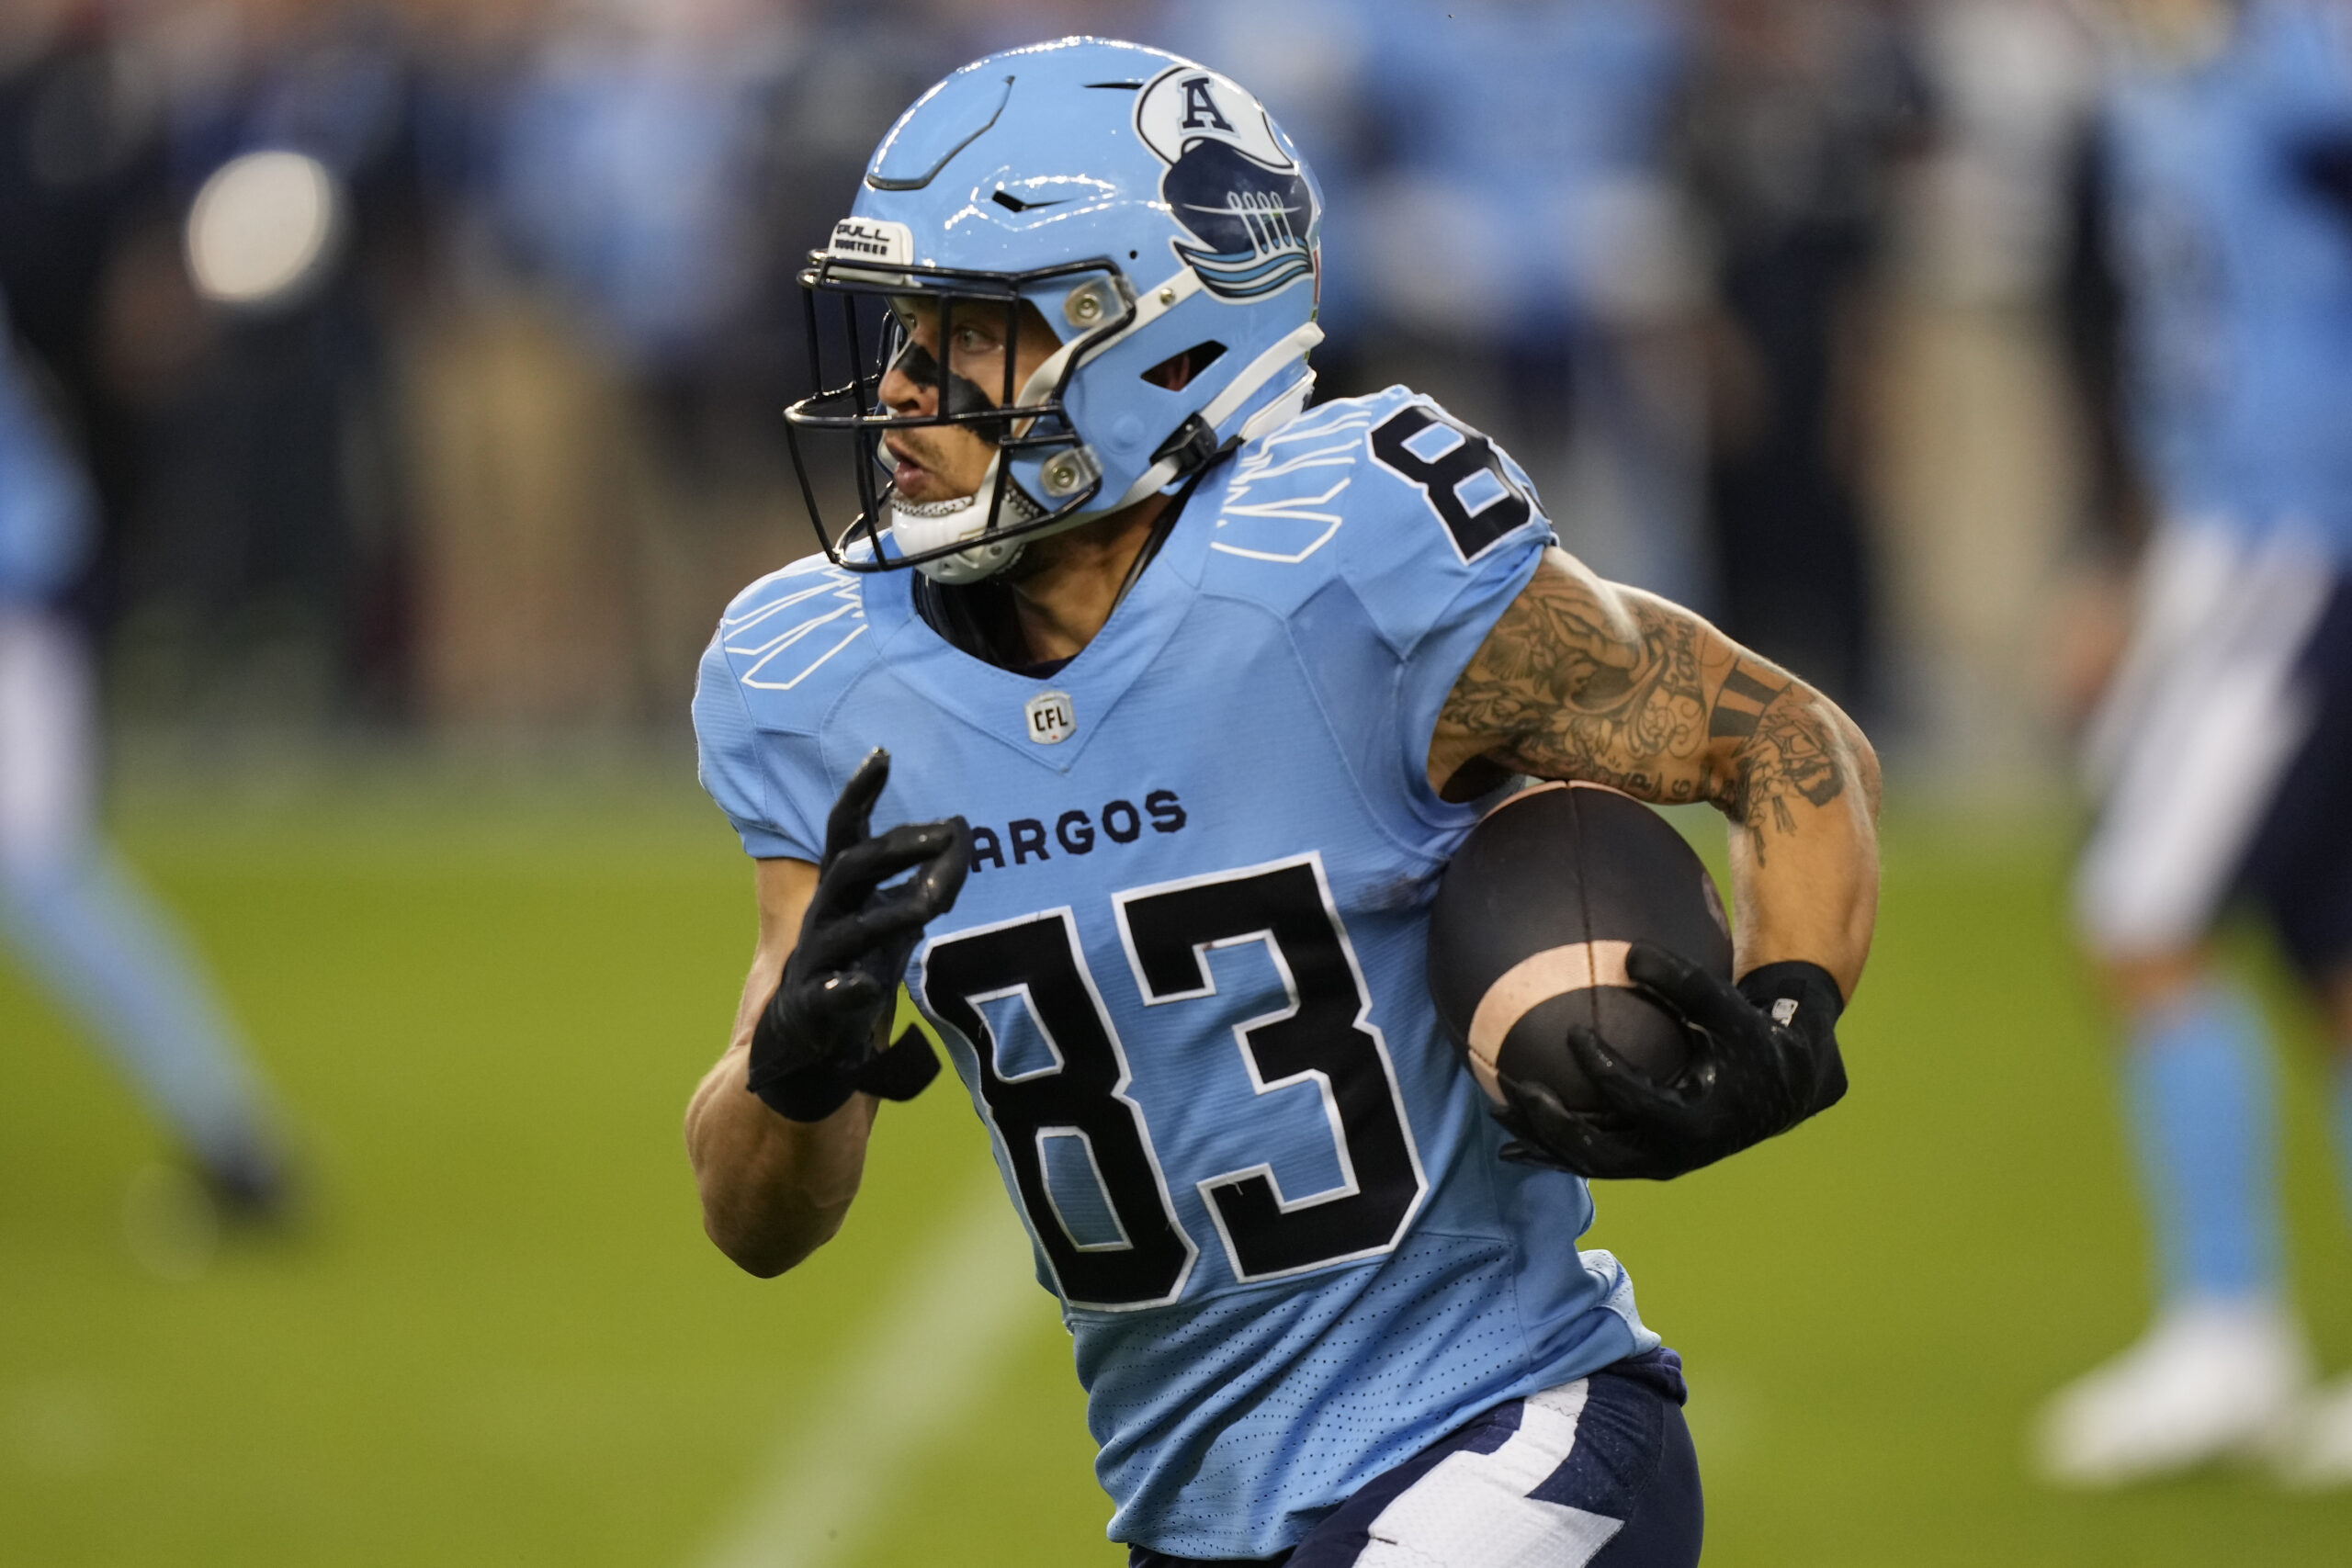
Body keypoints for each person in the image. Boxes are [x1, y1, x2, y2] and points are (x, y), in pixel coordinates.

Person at [685, 39, 1879, 1563]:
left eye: (975, 329)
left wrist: (1788, 1011)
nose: (906, 383)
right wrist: (788, 1076)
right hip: (1200, 1516)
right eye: (904, 322)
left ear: (1158, 343)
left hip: (1508, 1431)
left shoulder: (1350, 554)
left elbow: (1782, 742)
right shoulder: (812, 674)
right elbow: (756, 1221)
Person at [2037, 0, 2352, 1489]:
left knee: (2142, 916)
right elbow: (2140, 336)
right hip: (2228, 534)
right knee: (2332, 951)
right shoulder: (2149, 81)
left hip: (2303, 537)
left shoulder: (2305, 69)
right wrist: (2126, 560)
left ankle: (2229, 1323)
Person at [0, 298, 292, 1219]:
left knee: (48, 879)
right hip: (29, 597)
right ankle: (233, 1137)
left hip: (15, 611)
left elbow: (41, 516)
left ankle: (234, 1138)